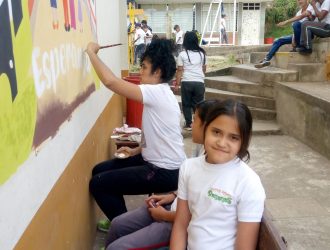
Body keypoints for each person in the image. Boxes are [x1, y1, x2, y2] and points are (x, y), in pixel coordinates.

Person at [86, 39, 186, 225]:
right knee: (99, 171)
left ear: (157, 72)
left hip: (164, 170)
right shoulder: (163, 93)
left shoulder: (156, 93)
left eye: (144, 67)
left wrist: (91, 53)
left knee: (99, 183)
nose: (140, 71)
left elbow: (110, 82)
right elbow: (161, 136)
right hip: (155, 160)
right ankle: (120, 217)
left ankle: (124, 228)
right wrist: (136, 150)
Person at [104, 100, 219, 250]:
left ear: (207, 126)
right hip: (172, 206)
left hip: (176, 221)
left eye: (195, 119)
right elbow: (191, 188)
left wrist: (164, 215)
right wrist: (171, 196)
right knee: (117, 224)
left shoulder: (220, 172)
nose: (191, 123)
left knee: (117, 247)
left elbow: (201, 215)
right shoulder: (199, 157)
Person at [170, 99, 266, 250]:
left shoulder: (249, 182)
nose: (222, 143)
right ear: (205, 129)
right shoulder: (188, 167)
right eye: (216, 132)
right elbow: (181, 225)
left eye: (233, 137)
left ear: (243, 142)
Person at [255, 0, 314, 68]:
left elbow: (301, 17)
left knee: (296, 24)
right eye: (298, 0)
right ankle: (266, 60)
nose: (299, 1)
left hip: (307, 35)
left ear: (307, 0)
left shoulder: (311, 8)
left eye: (301, 0)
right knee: (278, 40)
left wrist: (286, 22)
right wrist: (293, 38)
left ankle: (299, 47)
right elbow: (295, 29)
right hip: (299, 35)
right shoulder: (298, 12)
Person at [175, 31, 207, 131]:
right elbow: (204, 68)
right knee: (198, 104)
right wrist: (200, 76)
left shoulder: (182, 54)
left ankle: (189, 124)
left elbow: (180, 70)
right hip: (199, 83)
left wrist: (177, 83)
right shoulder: (202, 54)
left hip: (187, 82)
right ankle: (199, 123)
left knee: (186, 104)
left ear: (185, 41)